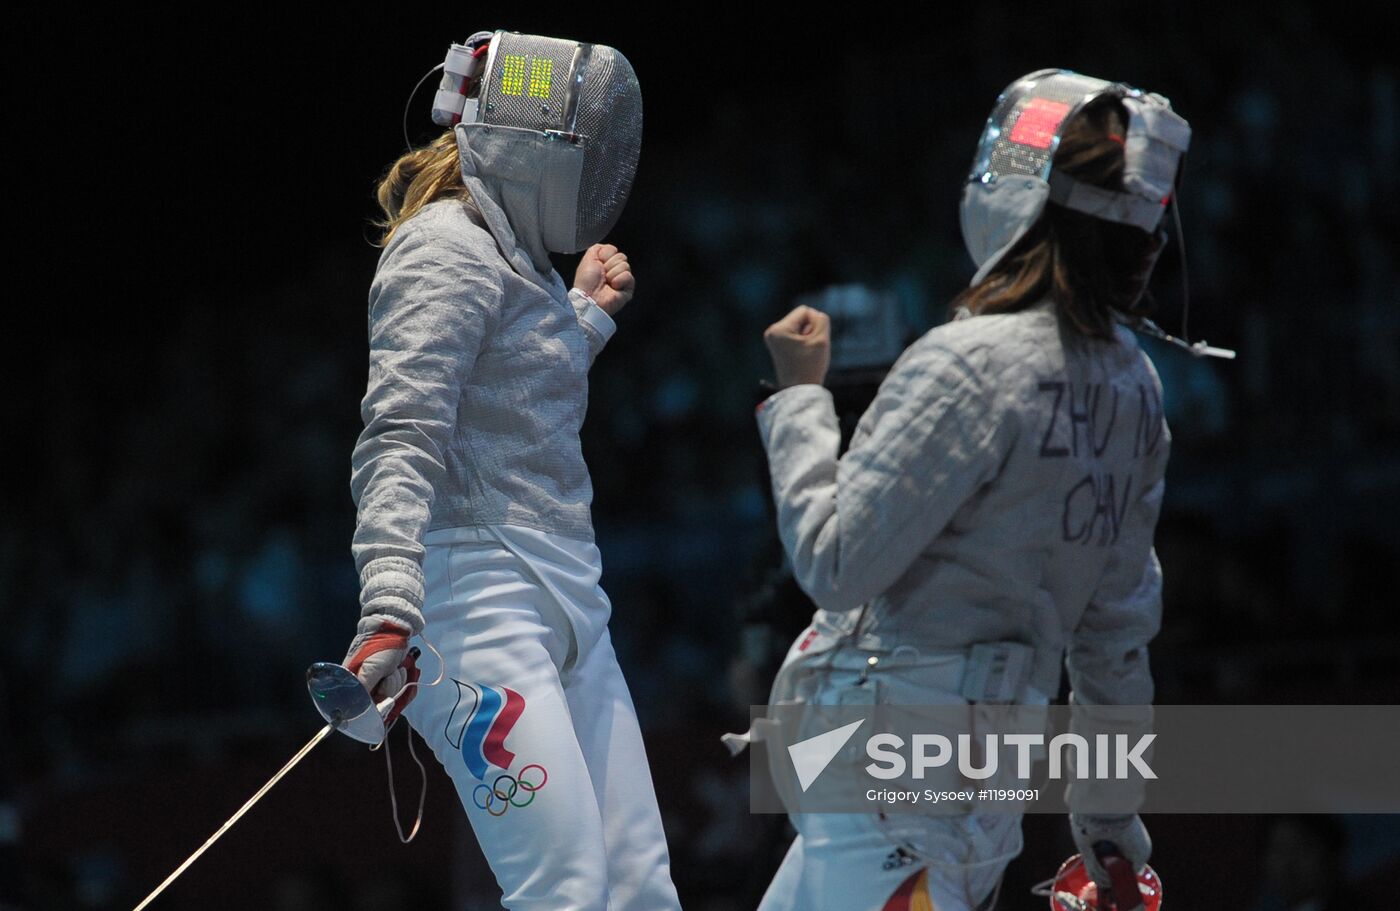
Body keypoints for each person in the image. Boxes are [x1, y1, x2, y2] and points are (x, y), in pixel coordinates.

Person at [752, 70, 1190, 910]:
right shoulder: (1134, 392)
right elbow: (1114, 642)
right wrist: (1109, 827)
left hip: (887, 777)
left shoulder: (970, 363)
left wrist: (801, 396)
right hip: (958, 782)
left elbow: (835, 560)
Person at [339, 30, 680, 911]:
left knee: (641, 889)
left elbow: (511, 400)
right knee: (565, 887)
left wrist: (583, 324)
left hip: (570, 593)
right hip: (477, 594)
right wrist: (388, 599)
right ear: (536, 147)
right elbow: (402, 430)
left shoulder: (515, 254)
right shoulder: (441, 247)